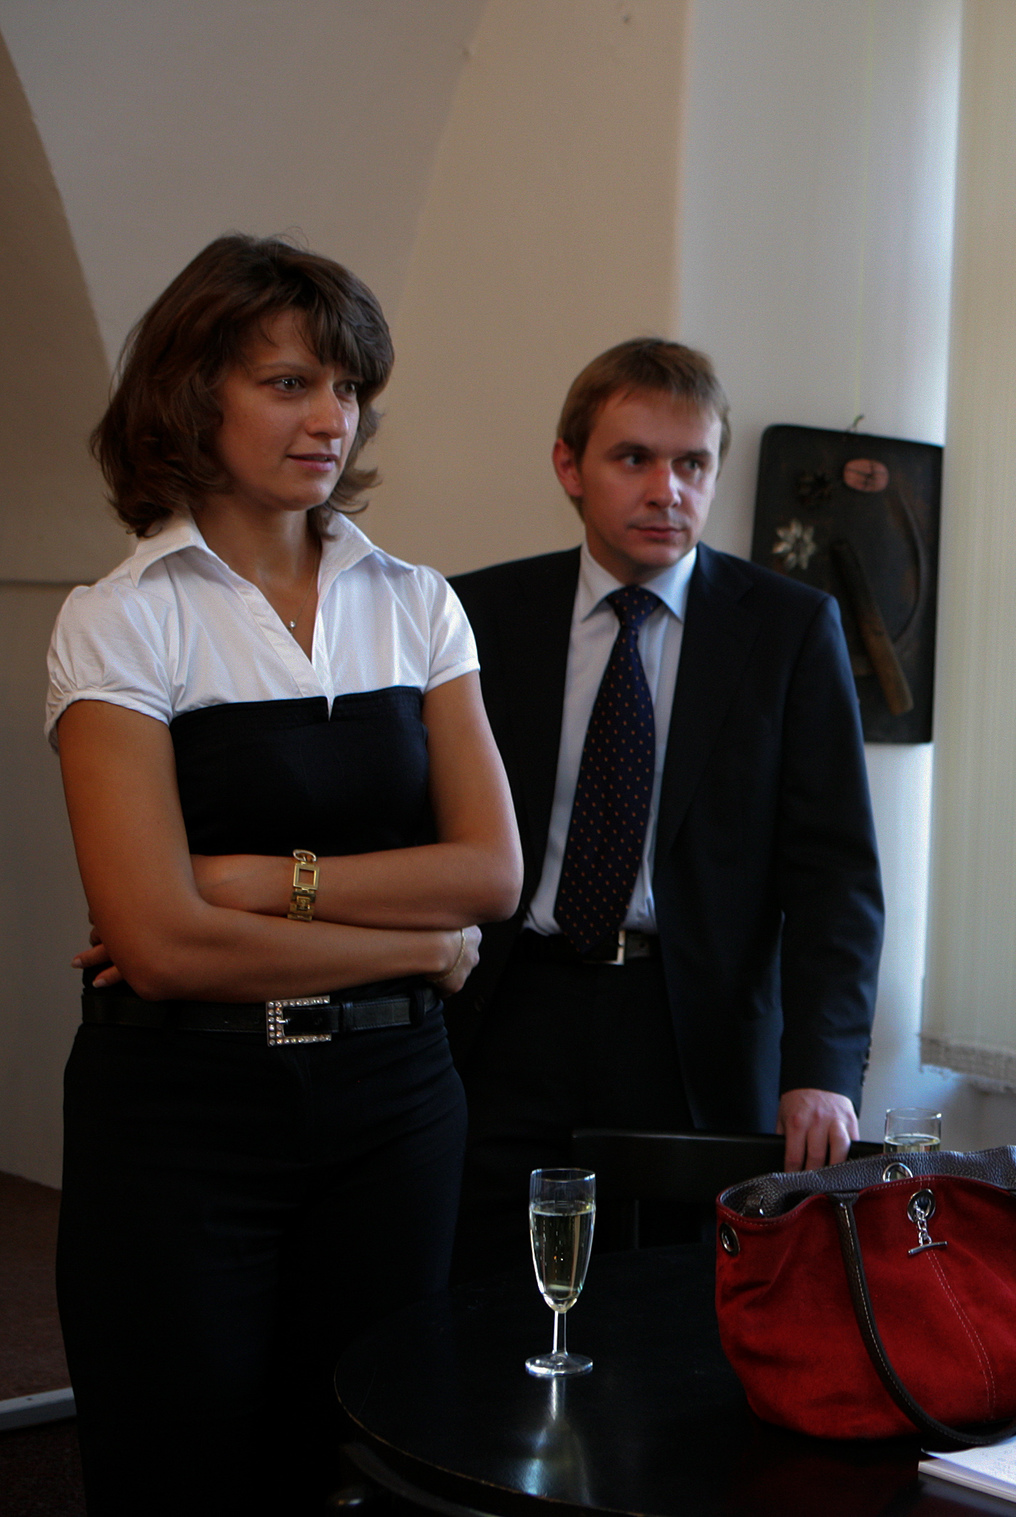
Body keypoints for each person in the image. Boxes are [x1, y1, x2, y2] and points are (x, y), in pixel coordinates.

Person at [48, 234, 522, 1514]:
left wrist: (258, 882)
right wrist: (415, 944)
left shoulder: (416, 602)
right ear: (192, 396)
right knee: (180, 1471)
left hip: (395, 1102)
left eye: (347, 386)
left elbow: (489, 872)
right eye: (289, 383)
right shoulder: (122, 614)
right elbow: (160, 946)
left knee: (372, 1467)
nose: (331, 418)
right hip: (181, 1113)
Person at [445, 337, 882, 1282]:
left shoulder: (788, 629)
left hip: (693, 1031)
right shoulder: (477, 615)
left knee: (673, 1307)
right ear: (570, 467)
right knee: (486, 1289)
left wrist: (821, 1068)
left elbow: (835, 877)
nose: (666, 490)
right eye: (634, 458)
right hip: (509, 1010)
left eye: (693, 463)